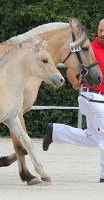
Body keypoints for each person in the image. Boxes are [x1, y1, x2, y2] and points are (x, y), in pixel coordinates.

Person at [43, 18, 104, 183]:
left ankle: (56, 131)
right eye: (100, 30)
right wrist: (75, 82)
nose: (102, 34)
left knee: (93, 137)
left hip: (99, 100)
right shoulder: (88, 48)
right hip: (92, 97)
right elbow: (71, 68)